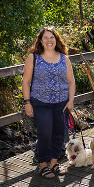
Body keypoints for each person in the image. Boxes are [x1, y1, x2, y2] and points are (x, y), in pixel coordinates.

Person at [22, 27, 75, 178]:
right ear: (40, 40)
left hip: (61, 102)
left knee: (59, 133)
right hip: (40, 102)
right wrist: (27, 102)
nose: (49, 40)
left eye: (52, 37)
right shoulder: (34, 57)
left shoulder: (64, 58)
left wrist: (71, 100)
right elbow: (25, 82)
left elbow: (71, 81)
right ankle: (43, 164)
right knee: (45, 133)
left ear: (56, 40)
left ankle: (54, 162)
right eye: (45, 37)